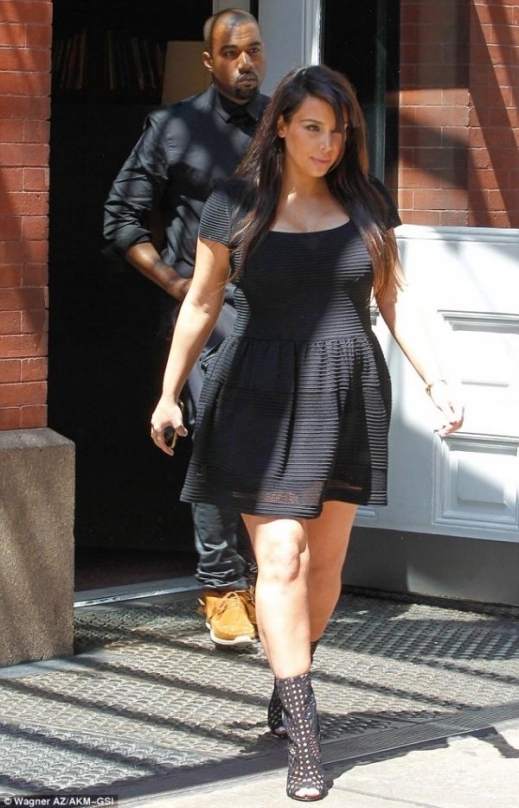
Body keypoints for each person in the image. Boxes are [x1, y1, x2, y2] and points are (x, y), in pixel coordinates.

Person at [150, 65, 464, 801]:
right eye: (312, 127)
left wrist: (437, 379)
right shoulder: (235, 206)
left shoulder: (365, 201)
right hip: (257, 393)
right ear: (282, 127)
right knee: (282, 557)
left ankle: (287, 676)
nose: (326, 144)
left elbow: (394, 298)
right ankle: (306, 733)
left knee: (324, 569)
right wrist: (168, 393)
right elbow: (201, 304)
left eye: (338, 130)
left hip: (345, 392)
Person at [103, 9, 269, 649]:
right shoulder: (172, 128)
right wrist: (177, 285)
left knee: (275, 445)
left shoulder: (282, 126)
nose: (245, 63)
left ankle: (266, 581)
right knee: (217, 443)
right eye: (231, 53)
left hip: (276, 310)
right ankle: (223, 587)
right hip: (206, 315)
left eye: (254, 50)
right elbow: (121, 219)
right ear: (209, 60)